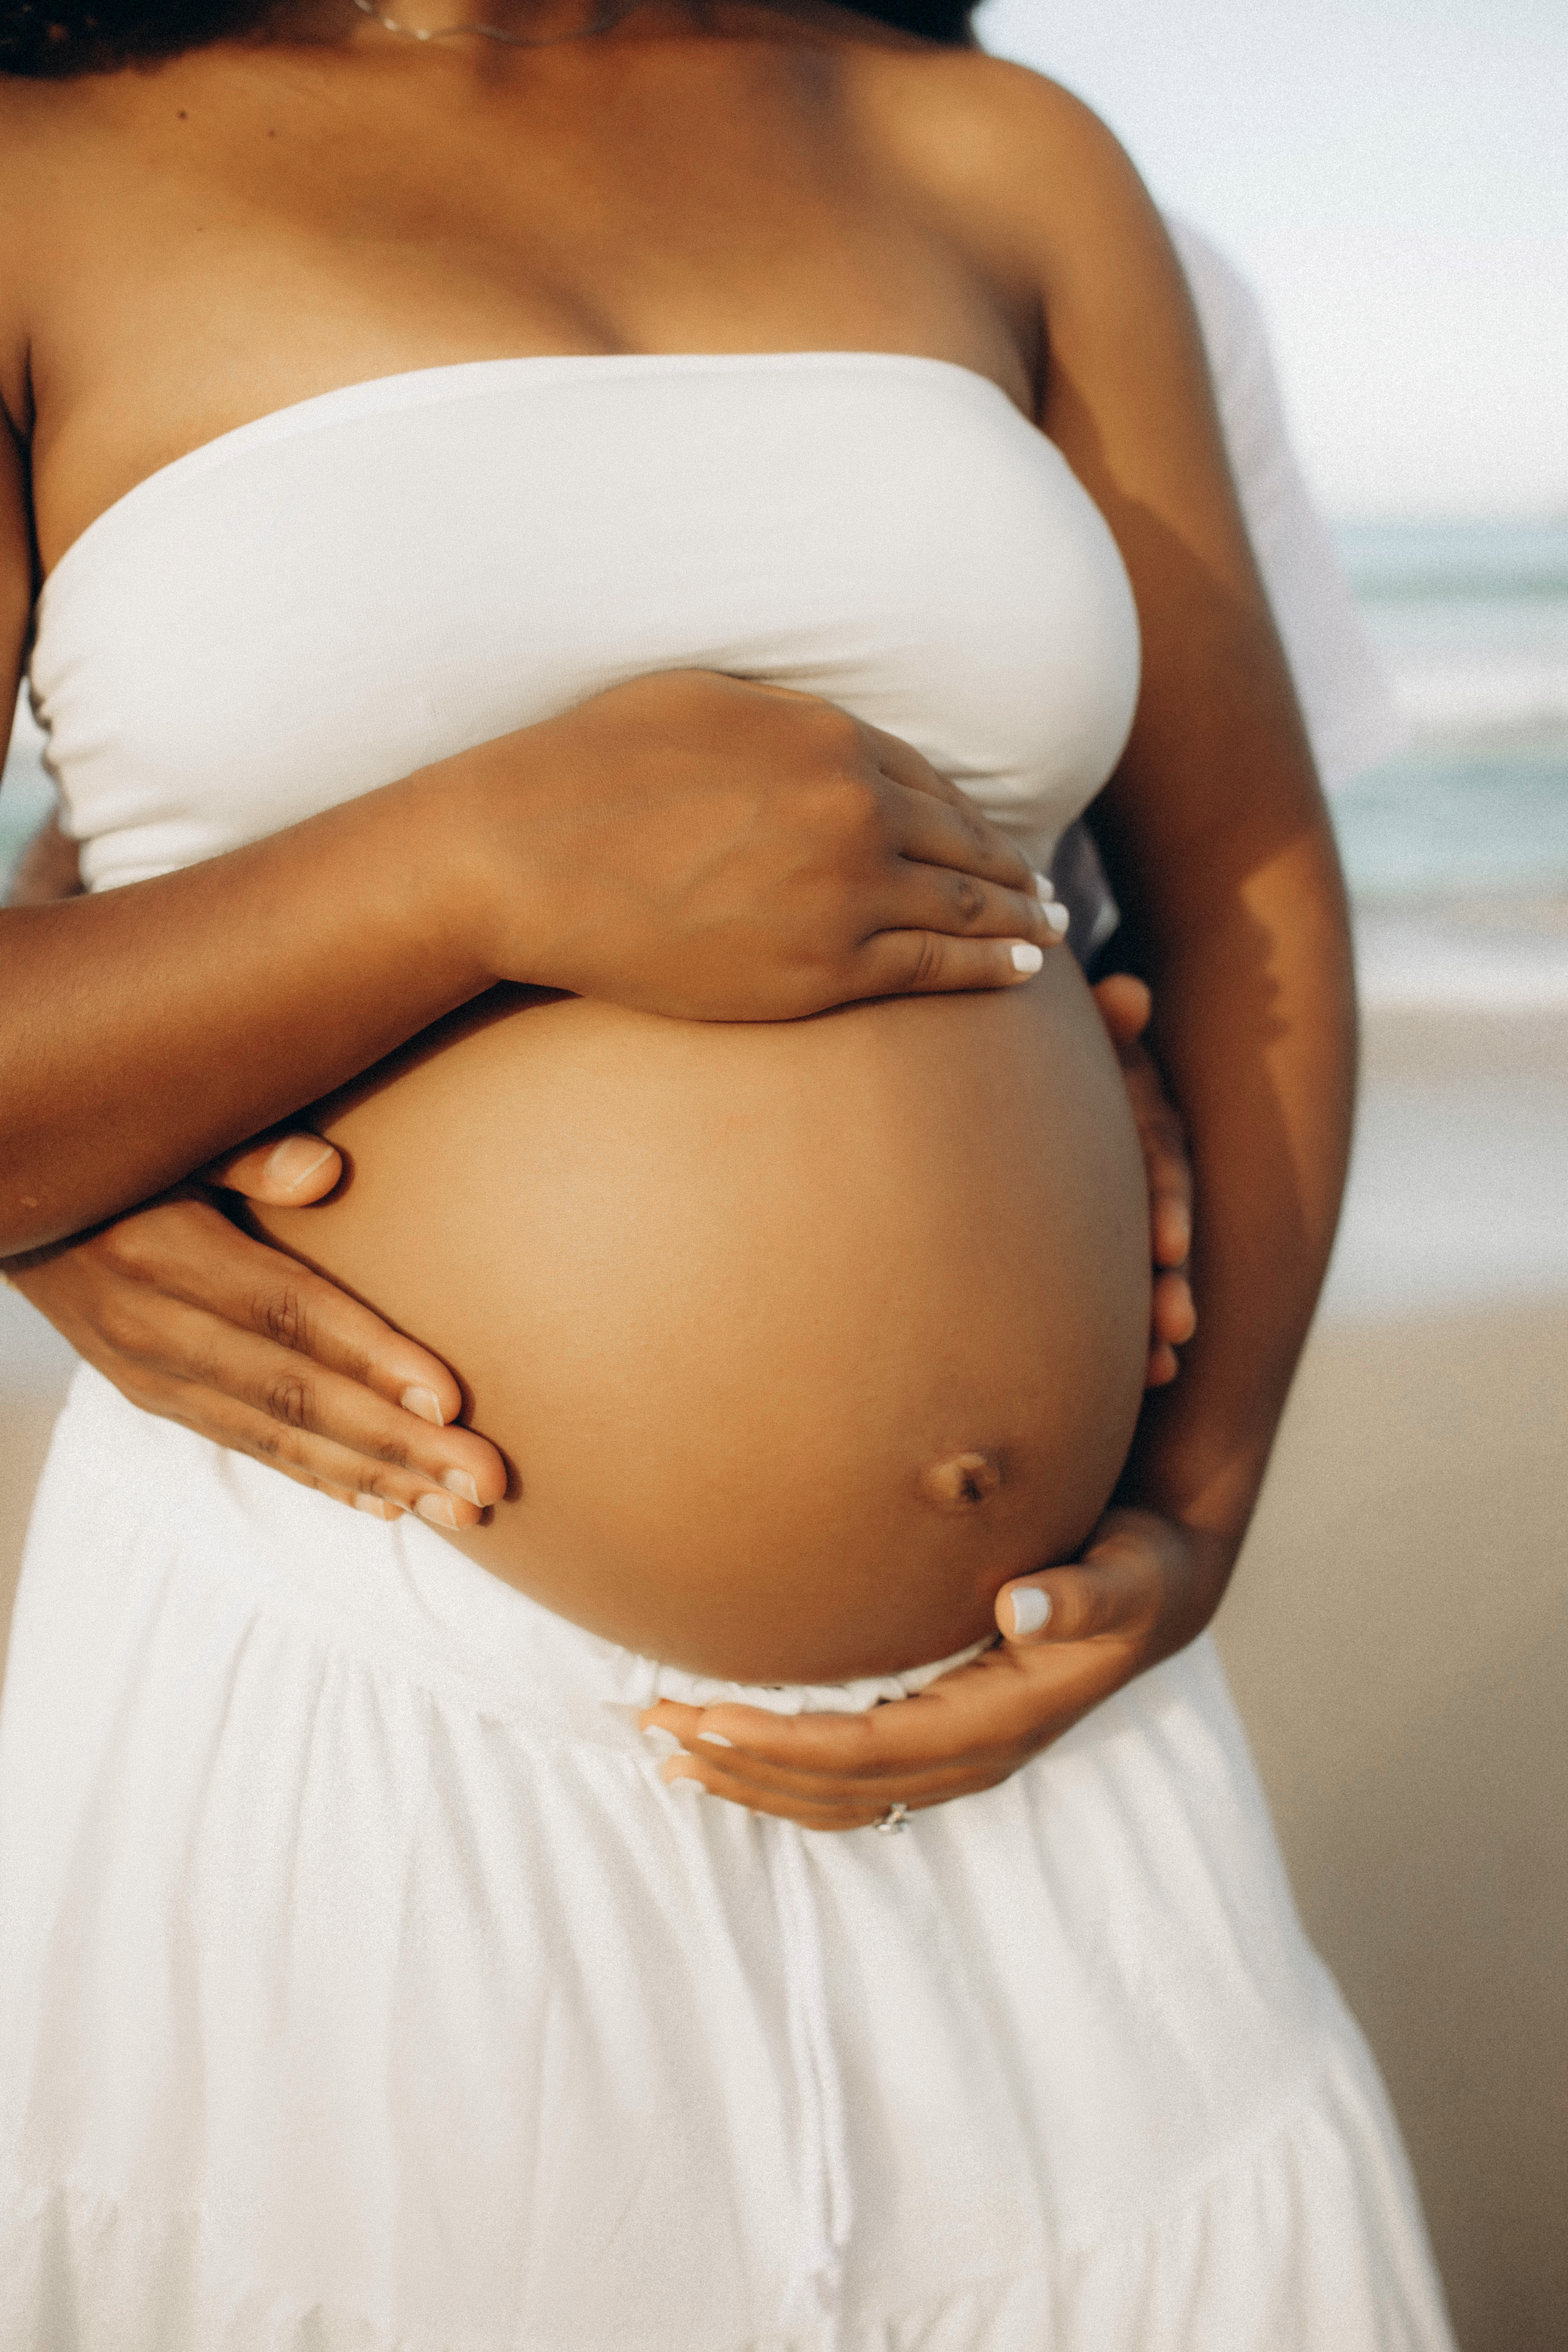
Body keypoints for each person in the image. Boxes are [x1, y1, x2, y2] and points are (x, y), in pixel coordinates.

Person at [0, 0, 1452, 2343]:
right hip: (359, 1686)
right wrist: (454, 874)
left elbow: (1248, 867)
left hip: (1044, 1741)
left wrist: (1207, 1496)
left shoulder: (996, 158)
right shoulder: (34, 178)